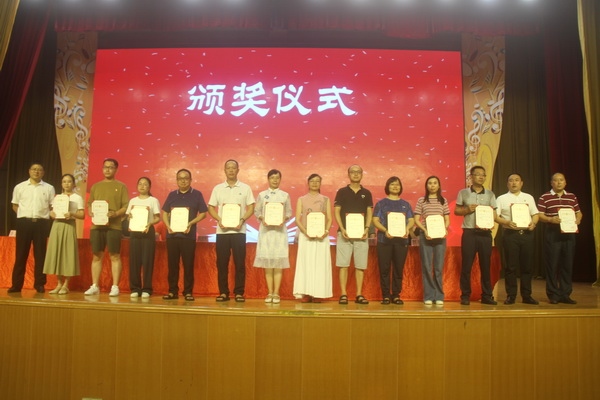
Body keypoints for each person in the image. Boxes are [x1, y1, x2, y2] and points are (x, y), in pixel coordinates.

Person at [208, 160, 255, 302]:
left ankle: (239, 292)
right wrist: (219, 219)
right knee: (222, 263)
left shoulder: (245, 188)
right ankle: (223, 292)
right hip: (222, 232)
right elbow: (211, 207)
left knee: (239, 263)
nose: (231, 170)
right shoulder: (218, 188)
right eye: (228, 168)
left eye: (233, 168)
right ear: (224, 170)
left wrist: (242, 219)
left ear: (238, 170)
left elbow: (251, 207)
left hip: (239, 231)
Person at [84, 158, 129, 296]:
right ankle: (95, 285)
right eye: (105, 167)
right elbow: (90, 203)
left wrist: (115, 213)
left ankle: (115, 286)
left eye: (111, 167)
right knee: (97, 255)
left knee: (114, 255)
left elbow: (125, 206)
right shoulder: (96, 186)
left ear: (116, 169)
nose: (107, 169)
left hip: (114, 226)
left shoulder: (121, 186)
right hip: (97, 226)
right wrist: (90, 211)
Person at [161, 169, 208, 301]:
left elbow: (203, 213)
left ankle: (188, 292)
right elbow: (165, 213)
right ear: (177, 180)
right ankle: (172, 291)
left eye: (186, 178)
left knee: (188, 265)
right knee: (172, 265)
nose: (183, 181)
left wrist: (191, 223)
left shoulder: (197, 194)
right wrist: (168, 226)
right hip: (172, 236)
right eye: (180, 178)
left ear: (190, 180)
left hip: (188, 236)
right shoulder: (172, 195)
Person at [8, 163, 55, 293]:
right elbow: (15, 205)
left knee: (40, 255)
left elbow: (51, 206)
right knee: (21, 255)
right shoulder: (20, 187)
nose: (36, 172)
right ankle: (16, 285)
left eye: (39, 170)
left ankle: (39, 284)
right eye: (34, 169)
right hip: (24, 223)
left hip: (41, 224)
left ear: (43, 173)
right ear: (29, 171)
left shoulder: (49, 188)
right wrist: (24, 215)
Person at [454, 166, 498, 305]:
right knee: (467, 266)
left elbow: (494, 213)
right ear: (471, 177)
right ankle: (465, 295)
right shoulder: (463, 193)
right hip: (469, 233)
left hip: (485, 234)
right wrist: (467, 210)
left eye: (483, 175)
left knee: (486, 266)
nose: (481, 177)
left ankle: (487, 295)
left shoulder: (490, 194)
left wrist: (492, 221)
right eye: (478, 174)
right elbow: (456, 211)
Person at [494, 173, 540, 305]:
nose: (514, 183)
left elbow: (535, 214)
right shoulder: (501, 198)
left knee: (527, 267)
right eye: (511, 181)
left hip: (527, 235)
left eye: (516, 180)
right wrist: (506, 222)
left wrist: (533, 223)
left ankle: (527, 295)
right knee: (511, 267)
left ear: (521, 183)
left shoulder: (528, 197)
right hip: (510, 235)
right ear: (507, 183)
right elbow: (495, 216)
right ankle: (511, 296)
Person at [537, 172, 582, 304]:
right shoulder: (545, 197)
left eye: (561, 180)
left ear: (565, 182)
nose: (559, 182)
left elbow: (579, 213)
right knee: (552, 265)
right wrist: (551, 219)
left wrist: (578, 220)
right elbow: (540, 215)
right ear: (551, 183)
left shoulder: (572, 197)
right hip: (553, 233)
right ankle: (553, 295)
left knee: (567, 265)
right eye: (556, 180)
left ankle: (565, 294)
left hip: (569, 233)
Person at [334, 164, 373, 305]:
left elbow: (369, 212)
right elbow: (337, 211)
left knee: (360, 266)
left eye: (358, 172)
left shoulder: (367, 193)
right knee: (343, 265)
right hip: (344, 234)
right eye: (353, 172)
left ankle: (359, 294)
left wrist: (367, 228)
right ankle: (343, 294)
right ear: (348, 174)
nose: (355, 174)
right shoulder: (342, 192)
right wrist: (342, 228)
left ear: (362, 174)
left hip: (361, 235)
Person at [372, 176, 414, 305]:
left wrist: (407, 228)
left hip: (401, 241)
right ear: (387, 187)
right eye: (392, 184)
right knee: (384, 269)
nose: (395, 186)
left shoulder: (406, 204)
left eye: (397, 184)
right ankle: (385, 295)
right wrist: (385, 230)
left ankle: (396, 295)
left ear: (401, 187)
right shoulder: (381, 204)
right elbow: (375, 220)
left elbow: (411, 220)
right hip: (384, 240)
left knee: (398, 269)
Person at [253, 169, 292, 304]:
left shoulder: (285, 195)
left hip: (279, 232)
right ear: (268, 179)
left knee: (278, 263)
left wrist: (283, 218)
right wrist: (262, 218)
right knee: (268, 263)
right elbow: (257, 211)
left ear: (280, 179)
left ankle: (276, 293)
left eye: (277, 178)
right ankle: (269, 292)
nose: (275, 180)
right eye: (272, 178)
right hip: (266, 232)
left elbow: (289, 212)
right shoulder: (262, 195)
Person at [293, 173, 333, 303]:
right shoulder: (301, 199)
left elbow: (329, 218)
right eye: (312, 181)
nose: (315, 183)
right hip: (306, 236)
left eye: (317, 181)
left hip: (321, 237)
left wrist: (325, 231)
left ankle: (318, 294)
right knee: (306, 264)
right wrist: (305, 232)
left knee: (320, 265)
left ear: (320, 184)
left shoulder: (325, 199)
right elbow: (297, 219)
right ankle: (306, 293)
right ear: (308, 183)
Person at [43, 173, 84, 294]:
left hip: (69, 225)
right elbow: (51, 212)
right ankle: (59, 283)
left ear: (74, 184)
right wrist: (52, 214)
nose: (67, 184)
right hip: (57, 226)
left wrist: (72, 214)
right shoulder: (57, 197)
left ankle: (66, 284)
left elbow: (82, 215)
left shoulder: (77, 198)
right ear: (61, 184)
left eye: (69, 181)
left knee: (68, 254)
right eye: (64, 182)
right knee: (57, 253)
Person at [414, 175, 450, 305]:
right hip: (426, 236)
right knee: (427, 267)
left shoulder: (443, 200)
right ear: (426, 186)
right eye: (430, 183)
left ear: (439, 186)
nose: (432, 185)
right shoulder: (421, 200)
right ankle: (428, 296)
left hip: (440, 237)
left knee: (438, 268)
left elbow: (447, 219)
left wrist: (444, 229)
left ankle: (439, 296)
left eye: (435, 183)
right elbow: (417, 220)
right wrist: (425, 230)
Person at [126, 177, 161, 299]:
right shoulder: (132, 201)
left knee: (147, 261)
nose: (142, 186)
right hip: (134, 233)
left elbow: (157, 218)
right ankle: (135, 288)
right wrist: (129, 217)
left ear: (149, 187)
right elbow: (128, 216)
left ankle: (147, 288)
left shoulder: (153, 200)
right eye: (140, 184)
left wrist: (150, 223)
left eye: (145, 184)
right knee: (134, 261)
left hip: (148, 233)